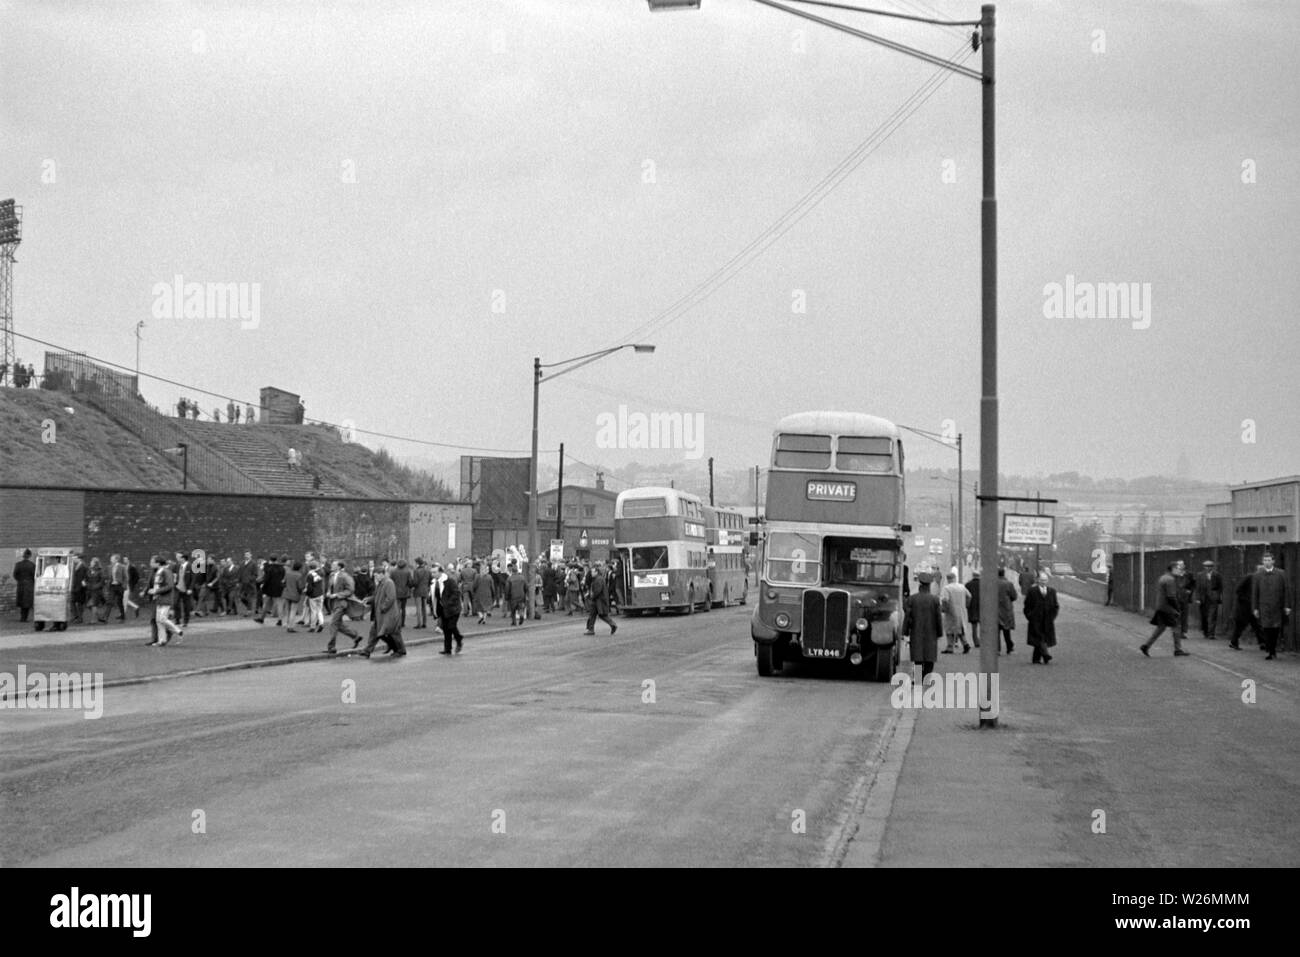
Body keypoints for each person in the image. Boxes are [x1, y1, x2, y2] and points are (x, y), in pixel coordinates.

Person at [358, 564, 406, 658]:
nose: (375, 577)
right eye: (374, 575)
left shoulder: (388, 583)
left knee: (393, 633)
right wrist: (368, 599)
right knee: (375, 631)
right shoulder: (381, 583)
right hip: (381, 614)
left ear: (382, 574)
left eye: (376, 575)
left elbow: (390, 598)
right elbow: (377, 596)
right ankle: (367, 650)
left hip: (388, 614)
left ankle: (400, 650)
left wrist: (382, 608)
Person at [1142, 560, 1188, 657]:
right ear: (1172, 569)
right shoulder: (1170, 580)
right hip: (1168, 607)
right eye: (1177, 568)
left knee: (1161, 628)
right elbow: (1171, 596)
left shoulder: (1163, 577)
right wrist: (1177, 608)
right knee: (1176, 627)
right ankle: (1178, 650)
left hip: (1161, 606)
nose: (1179, 571)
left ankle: (1146, 645)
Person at [1251, 552, 1292, 661]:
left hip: (1277, 606)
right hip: (1263, 606)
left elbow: (1287, 590)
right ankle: (1270, 650)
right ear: (1262, 562)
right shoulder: (1258, 575)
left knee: (1275, 628)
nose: (1267, 562)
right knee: (1266, 628)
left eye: (1269, 560)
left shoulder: (1281, 573)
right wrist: (1255, 608)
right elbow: (1255, 592)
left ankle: (1272, 649)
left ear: (1273, 561)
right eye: (1265, 560)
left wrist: (1287, 606)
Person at [903, 572, 943, 680]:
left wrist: (905, 631)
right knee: (930, 656)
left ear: (920, 586)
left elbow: (907, 617)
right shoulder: (934, 599)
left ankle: (917, 679)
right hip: (931, 631)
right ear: (929, 586)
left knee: (918, 657)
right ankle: (927, 678)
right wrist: (940, 632)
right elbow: (938, 618)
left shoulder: (912, 599)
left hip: (916, 631)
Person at [324, 560, 363, 654]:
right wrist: (329, 592)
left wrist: (337, 595)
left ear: (339, 567)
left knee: (333, 623)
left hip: (342, 603)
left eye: (334, 565)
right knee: (339, 624)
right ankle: (356, 637)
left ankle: (331, 647)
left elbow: (351, 590)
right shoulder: (332, 575)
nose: (331, 566)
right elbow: (330, 587)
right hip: (333, 603)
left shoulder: (345, 576)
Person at [1023, 570, 1060, 664]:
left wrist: (1053, 616)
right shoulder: (1032, 591)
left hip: (1047, 619)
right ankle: (1046, 655)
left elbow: (1056, 605)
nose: (1044, 582)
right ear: (1038, 580)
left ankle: (1036, 659)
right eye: (1042, 580)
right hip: (1035, 619)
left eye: (1045, 580)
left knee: (1041, 638)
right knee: (1039, 637)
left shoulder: (1052, 591)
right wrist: (1030, 616)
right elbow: (1027, 605)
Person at [147, 554, 184, 646]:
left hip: (165, 599)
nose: (150, 564)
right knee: (158, 621)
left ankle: (177, 630)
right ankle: (162, 640)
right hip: (158, 599)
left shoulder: (166, 572)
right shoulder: (159, 572)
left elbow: (169, 586)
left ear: (158, 563)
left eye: (152, 562)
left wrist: (156, 591)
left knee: (162, 619)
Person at [1228, 566, 1263, 650]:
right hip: (1243, 607)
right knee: (1240, 625)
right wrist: (1246, 599)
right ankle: (1234, 642)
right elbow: (1238, 589)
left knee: (1257, 625)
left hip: (1253, 607)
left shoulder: (1261, 580)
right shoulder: (1249, 577)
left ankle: (1263, 643)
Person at [435, 565, 465, 655]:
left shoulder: (449, 581)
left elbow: (456, 593)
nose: (433, 574)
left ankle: (459, 639)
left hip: (453, 609)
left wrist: (448, 602)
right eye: (432, 572)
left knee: (451, 626)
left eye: (434, 572)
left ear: (440, 572)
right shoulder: (435, 583)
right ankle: (447, 649)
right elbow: (436, 596)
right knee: (445, 629)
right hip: (443, 609)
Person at [939, 571, 971, 654]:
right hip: (962, 610)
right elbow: (969, 596)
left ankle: (950, 647)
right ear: (955, 578)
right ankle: (965, 644)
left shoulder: (947, 588)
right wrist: (966, 605)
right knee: (960, 628)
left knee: (949, 629)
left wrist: (944, 609)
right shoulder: (962, 587)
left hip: (951, 611)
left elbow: (945, 600)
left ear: (948, 579)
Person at [583, 560, 617, 635]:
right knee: (594, 615)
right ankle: (591, 629)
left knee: (600, 615)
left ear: (596, 572)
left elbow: (597, 591)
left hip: (599, 600)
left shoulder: (598, 579)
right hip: (598, 600)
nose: (591, 573)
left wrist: (591, 596)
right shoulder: (598, 579)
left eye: (593, 572)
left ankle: (612, 625)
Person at [1195, 560, 1223, 639]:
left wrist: (1218, 596)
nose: (1208, 568)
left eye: (1210, 566)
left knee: (1212, 615)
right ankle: (1205, 631)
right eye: (1206, 566)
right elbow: (1198, 587)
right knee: (1204, 616)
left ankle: (1211, 634)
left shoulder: (1217, 575)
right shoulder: (1200, 575)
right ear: (1204, 567)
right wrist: (1198, 598)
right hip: (1203, 598)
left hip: (1213, 598)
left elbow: (1220, 587)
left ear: (1212, 567)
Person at [997, 566, 1018, 654]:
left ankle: (997, 649)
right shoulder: (1008, 584)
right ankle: (1009, 647)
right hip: (1006, 609)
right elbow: (1014, 596)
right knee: (1006, 630)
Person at [389, 558, 413, 629]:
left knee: (397, 608)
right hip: (405, 592)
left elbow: (391, 581)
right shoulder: (407, 572)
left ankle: (397, 623)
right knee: (403, 608)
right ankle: (402, 623)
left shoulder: (393, 572)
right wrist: (409, 586)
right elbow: (410, 582)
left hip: (396, 592)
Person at [12, 548, 35, 622]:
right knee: (27, 602)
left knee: (22, 601)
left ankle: (22, 617)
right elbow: (34, 575)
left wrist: (20, 580)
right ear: (29, 556)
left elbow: (15, 574)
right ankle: (25, 617)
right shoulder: (32, 565)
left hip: (21, 584)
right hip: (29, 585)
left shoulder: (18, 564)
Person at [282, 559, 304, 633]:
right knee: (293, 611)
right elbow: (300, 586)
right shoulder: (299, 575)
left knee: (287, 610)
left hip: (287, 593)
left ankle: (287, 624)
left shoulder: (288, 573)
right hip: (295, 594)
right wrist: (301, 592)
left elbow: (283, 582)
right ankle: (291, 627)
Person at [411, 557, 432, 629]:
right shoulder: (428, 571)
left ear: (417, 563)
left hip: (418, 591)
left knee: (419, 608)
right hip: (425, 590)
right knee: (424, 608)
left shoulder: (416, 571)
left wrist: (412, 585)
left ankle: (419, 624)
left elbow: (415, 582)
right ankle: (424, 623)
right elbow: (430, 581)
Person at [965, 569, 981, 648]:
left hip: (972, 608)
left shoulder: (968, 584)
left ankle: (976, 642)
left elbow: (966, 596)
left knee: (974, 627)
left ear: (973, 576)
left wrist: (967, 605)